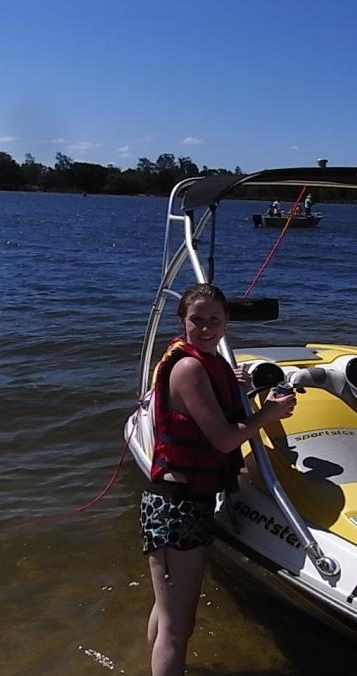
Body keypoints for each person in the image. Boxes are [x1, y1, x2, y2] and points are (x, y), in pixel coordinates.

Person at [140, 282, 296, 675]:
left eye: (214, 320)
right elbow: (225, 440)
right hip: (175, 505)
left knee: (167, 613)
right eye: (197, 321)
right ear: (182, 322)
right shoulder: (190, 367)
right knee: (178, 626)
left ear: (226, 322)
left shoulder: (208, 363)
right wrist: (269, 413)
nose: (206, 328)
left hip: (182, 501)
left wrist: (236, 386)